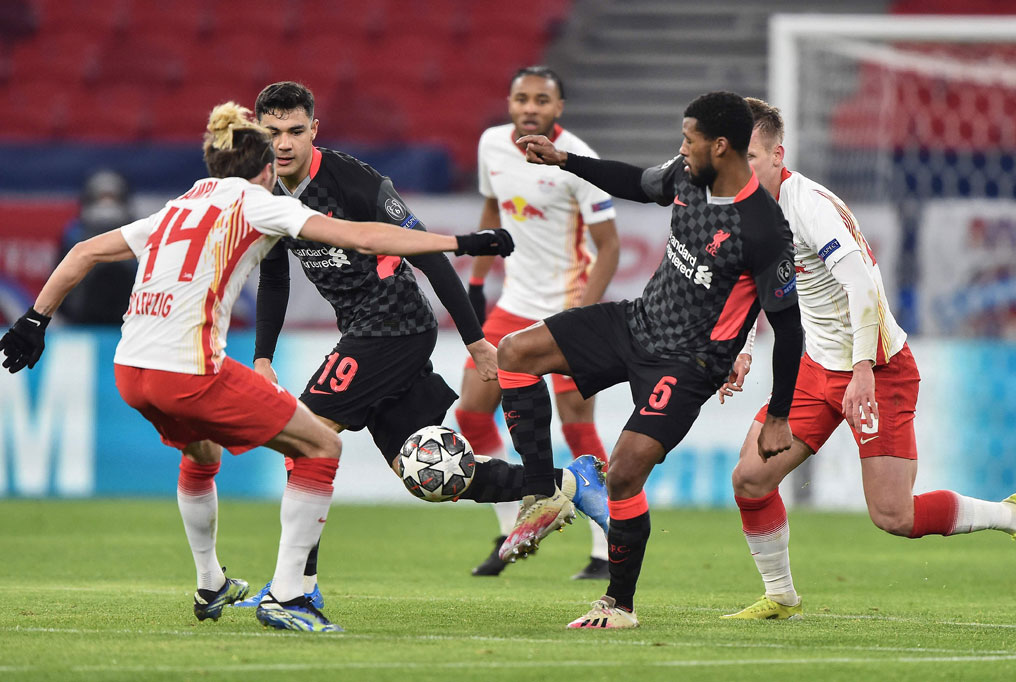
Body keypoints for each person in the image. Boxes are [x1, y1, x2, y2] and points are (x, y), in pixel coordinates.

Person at [0, 102, 514, 633]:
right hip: (190, 370)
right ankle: (291, 597)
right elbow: (364, 237)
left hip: (130, 369)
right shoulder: (260, 202)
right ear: (266, 168)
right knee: (321, 444)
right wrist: (460, 242)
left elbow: (83, 250)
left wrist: (33, 321)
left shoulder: (182, 203)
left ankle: (211, 582)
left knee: (201, 453)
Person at [233, 81, 609, 607]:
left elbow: (429, 252)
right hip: (364, 330)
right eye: (272, 132)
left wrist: (476, 340)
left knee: (306, 437)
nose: (284, 143)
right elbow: (274, 278)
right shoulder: (265, 192)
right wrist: (264, 355)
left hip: (393, 325)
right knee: (427, 472)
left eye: (296, 130)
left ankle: (296, 590)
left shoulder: (353, 179)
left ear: (314, 129)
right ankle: (562, 485)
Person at [496, 91, 805, 628]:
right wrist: (564, 159)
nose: (681, 149)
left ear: (721, 146)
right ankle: (542, 492)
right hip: (636, 323)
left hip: (688, 365)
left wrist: (778, 414)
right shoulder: (688, 177)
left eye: (689, 140)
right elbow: (636, 183)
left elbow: (789, 326)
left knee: (623, 475)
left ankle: (618, 605)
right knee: (514, 353)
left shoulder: (765, 228)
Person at [718, 97, 1016, 620]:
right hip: (816, 368)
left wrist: (862, 369)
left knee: (894, 516)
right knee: (749, 478)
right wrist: (742, 350)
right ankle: (781, 596)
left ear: (776, 155)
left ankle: (1009, 515)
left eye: (750, 157)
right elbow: (753, 285)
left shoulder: (810, 205)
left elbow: (863, 283)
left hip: (878, 368)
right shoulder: (745, 212)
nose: (739, 169)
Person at [456, 66, 620, 580]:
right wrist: (478, 283)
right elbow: (491, 207)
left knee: (577, 425)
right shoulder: (491, 145)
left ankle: (605, 547)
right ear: (509, 102)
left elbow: (610, 246)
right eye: (522, 98)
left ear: (558, 109)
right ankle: (510, 535)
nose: (530, 108)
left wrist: (583, 318)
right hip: (514, 304)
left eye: (541, 101)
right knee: (471, 415)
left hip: (567, 307)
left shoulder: (579, 159)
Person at [58, 169, 138, 324]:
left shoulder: (139, 232)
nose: (107, 205)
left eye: (112, 197)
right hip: (82, 322)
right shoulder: (73, 234)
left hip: (129, 321)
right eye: (102, 197)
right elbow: (60, 284)